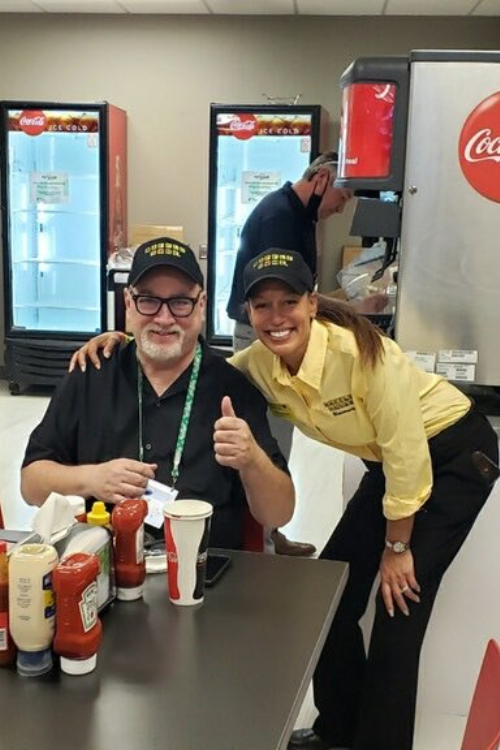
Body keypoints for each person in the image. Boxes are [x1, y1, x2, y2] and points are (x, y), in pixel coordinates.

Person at [81, 249, 499, 750]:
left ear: (313, 303)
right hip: (388, 466)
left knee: (398, 611)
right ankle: (336, 730)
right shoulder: (260, 363)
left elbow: (408, 455)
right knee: (334, 594)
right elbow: (195, 363)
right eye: (262, 306)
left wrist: (397, 549)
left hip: (454, 454)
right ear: (248, 313)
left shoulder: (365, 356)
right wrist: (128, 342)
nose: (276, 318)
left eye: (288, 302)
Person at [21, 238, 294, 552]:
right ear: (128, 302)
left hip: (203, 573)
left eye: (180, 302)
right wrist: (92, 479)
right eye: (148, 301)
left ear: (201, 304)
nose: (164, 319)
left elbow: (280, 513)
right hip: (101, 569)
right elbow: (31, 485)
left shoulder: (234, 389)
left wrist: (252, 460)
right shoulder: (91, 373)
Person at [226, 150, 354, 557]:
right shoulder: (279, 218)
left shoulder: (298, 214)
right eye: (343, 195)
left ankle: (269, 531)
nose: (341, 207)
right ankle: (260, 541)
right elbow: (280, 305)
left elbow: (302, 296)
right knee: (264, 438)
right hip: (260, 337)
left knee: (277, 436)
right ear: (321, 179)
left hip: (266, 332)